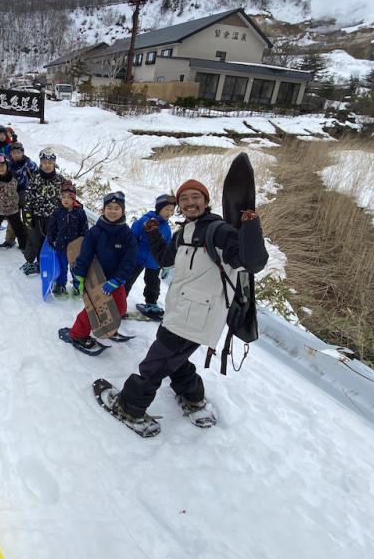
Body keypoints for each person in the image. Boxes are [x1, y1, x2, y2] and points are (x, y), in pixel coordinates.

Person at [108, 179, 268, 431]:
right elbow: (164, 259)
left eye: (196, 197)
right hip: (179, 310)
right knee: (176, 358)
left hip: (199, 315)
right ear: (179, 205)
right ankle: (192, 397)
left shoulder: (221, 231)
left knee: (155, 364)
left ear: (205, 201)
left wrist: (251, 226)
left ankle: (129, 406)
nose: (190, 202)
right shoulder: (185, 232)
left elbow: (253, 263)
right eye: (184, 199)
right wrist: (152, 233)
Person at [60, 191, 137, 352]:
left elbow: (129, 260)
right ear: (103, 210)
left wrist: (119, 279)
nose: (113, 211)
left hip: (115, 281)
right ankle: (78, 334)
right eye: (109, 207)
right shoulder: (95, 232)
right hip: (96, 279)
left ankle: (108, 326)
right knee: (93, 310)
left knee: (120, 308)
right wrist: (79, 276)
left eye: (117, 208)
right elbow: (85, 255)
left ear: (123, 211)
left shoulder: (127, 234)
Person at [125, 193, 176, 318]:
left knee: (153, 283)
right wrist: (128, 254)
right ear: (159, 209)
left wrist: (166, 265)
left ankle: (151, 303)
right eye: (166, 209)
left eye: (171, 210)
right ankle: (118, 302)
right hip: (138, 258)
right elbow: (132, 238)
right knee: (127, 280)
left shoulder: (167, 228)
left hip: (154, 261)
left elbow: (167, 246)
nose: (169, 213)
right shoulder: (144, 221)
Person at [19, 149, 64, 276]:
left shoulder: (60, 179)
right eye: (45, 162)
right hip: (36, 217)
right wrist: (27, 215)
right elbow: (28, 198)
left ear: (54, 163)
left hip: (53, 218)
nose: (48, 165)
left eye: (50, 162)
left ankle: (45, 263)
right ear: (40, 163)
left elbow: (65, 198)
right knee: (35, 240)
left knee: (49, 242)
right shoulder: (35, 178)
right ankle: (31, 261)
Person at [45, 179, 88, 295]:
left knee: (76, 269)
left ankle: (77, 287)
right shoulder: (57, 212)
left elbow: (84, 230)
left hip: (75, 248)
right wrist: (51, 240)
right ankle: (61, 285)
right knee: (62, 268)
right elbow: (51, 228)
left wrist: (83, 243)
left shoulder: (80, 213)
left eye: (69, 197)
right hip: (61, 246)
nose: (66, 200)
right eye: (63, 197)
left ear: (74, 198)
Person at [0, 142, 37, 250]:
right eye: (14, 153)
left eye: (18, 152)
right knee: (13, 219)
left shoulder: (30, 164)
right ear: (10, 154)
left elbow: (37, 177)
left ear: (22, 152)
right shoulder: (8, 165)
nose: (16, 155)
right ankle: (9, 240)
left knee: (27, 218)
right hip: (12, 194)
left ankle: (26, 242)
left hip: (26, 194)